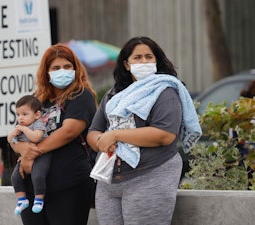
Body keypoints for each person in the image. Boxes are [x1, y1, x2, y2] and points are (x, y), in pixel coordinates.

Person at [87, 36, 202, 225]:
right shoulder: (114, 95)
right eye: (137, 57)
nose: (144, 62)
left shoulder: (165, 92)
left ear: (157, 61)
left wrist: (115, 135)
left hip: (149, 175)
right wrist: (101, 141)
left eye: (149, 57)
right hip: (109, 180)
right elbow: (94, 131)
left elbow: (164, 135)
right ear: (126, 64)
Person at [9, 43, 97, 225]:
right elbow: (17, 133)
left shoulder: (81, 95)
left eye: (67, 66)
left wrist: (34, 151)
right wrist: (23, 149)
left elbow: (69, 131)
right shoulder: (38, 99)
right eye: (55, 68)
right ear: (46, 72)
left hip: (69, 185)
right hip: (33, 187)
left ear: (75, 69)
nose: (62, 71)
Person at [8, 95, 49, 215]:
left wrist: (24, 129)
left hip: (42, 154)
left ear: (36, 115)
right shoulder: (20, 127)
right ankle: (22, 200)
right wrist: (12, 135)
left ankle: (39, 199)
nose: (20, 118)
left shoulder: (38, 124)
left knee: (38, 174)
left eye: (24, 114)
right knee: (15, 177)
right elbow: (10, 141)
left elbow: (36, 137)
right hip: (26, 156)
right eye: (18, 114)